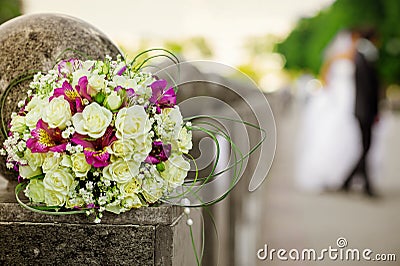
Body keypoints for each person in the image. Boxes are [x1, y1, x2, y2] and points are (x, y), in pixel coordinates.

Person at [295, 30, 362, 192]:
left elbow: (325, 77)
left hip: (347, 95)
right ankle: (333, 173)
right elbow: (325, 79)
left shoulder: (337, 57)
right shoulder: (350, 56)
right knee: (338, 132)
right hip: (341, 97)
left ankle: (341, 174)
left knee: (344, 135)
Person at [341, 28, 380, 197]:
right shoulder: (363, 58)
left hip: (363, 110)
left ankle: (349, 182)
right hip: (365, 111)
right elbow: (368, 90)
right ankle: (363, 185)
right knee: (366, 147)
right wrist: (375, 111)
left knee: (365, 147)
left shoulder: (362, 57)